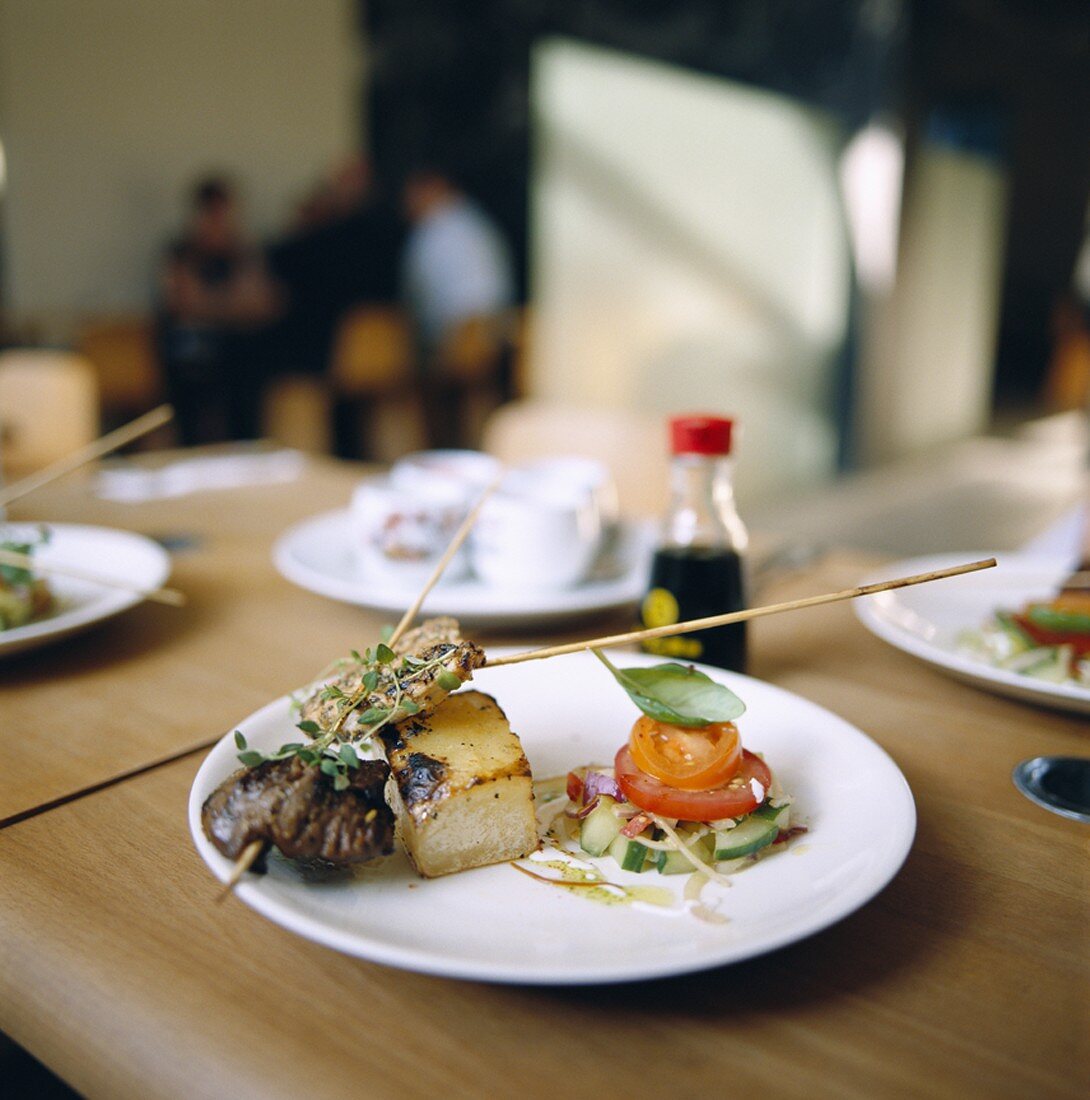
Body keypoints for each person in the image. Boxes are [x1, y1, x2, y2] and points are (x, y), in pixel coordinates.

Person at [156, 176, 281, 444]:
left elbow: (260, 303)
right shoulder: (182, 252)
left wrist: (211, 306)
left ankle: (248, 449)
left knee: (251, 360)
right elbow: (183, 304)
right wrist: (232, 306)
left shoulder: (244, 251)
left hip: (239, 348)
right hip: (194, 350)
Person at [400, 167, 514, 353]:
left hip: (458, 340)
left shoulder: (433, 229)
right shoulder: (477, 221)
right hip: (494, 338)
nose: (407, 203)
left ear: (432, 188)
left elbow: (416, 299)